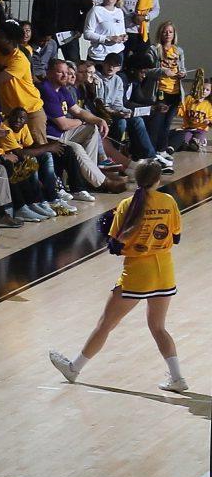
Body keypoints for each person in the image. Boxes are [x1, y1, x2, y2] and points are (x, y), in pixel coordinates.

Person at [51, 157, 185, 392]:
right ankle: (177, 378)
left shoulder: (127, 205)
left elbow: (115, 246)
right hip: (164, 271)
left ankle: (74, 368)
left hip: (136, 273)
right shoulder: (169, 201)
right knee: (158, 327)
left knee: (106, 324)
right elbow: (176, 237)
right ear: (158, 179)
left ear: (137, 178)